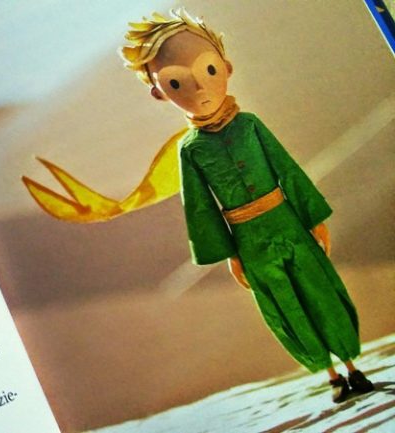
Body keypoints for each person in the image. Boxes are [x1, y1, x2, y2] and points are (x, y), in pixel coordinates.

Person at [22, 9, 374, 403]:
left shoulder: (251, 125)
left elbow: (287, 169)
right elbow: (200, 206)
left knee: (320, 290)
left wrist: (312, 217)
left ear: (226, 67)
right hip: (249, 242)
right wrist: (229, 253)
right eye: (175, 81)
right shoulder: (190, 150)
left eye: (209, 70)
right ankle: (331, 375)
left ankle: (352, 366)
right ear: (159, 92)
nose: (200, 87)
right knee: (284, 304)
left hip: (289, 224)